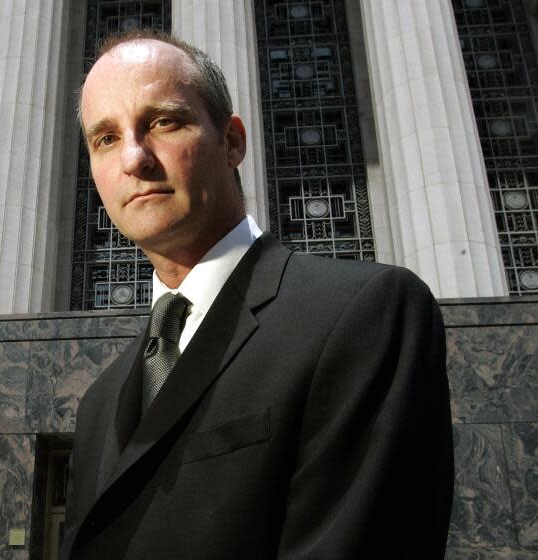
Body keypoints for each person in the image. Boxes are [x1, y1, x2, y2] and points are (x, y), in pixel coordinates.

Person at [62, 30, 453, 559]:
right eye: (105, 138)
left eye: (163, 122)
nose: (134, 158)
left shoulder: (366, 314)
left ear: (232, 141)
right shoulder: (99, 403)